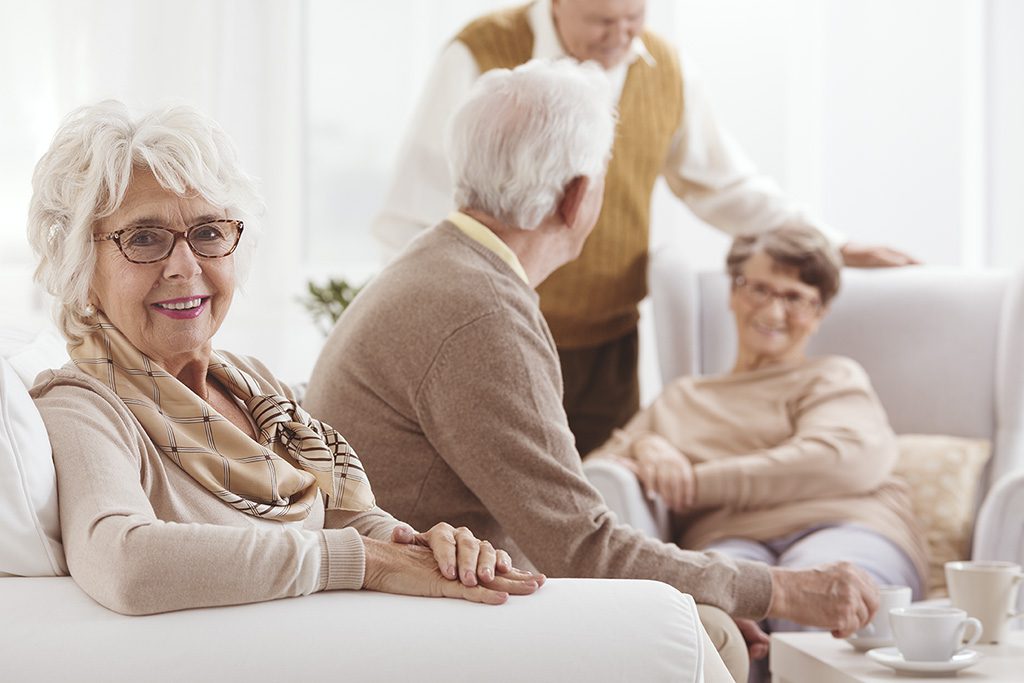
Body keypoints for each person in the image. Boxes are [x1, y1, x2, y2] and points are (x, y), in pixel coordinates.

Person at [305, 58, 880, 683]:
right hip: (414, 611)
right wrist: (775, 591)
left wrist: (690, 590)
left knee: (698, 620)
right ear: (578, 198)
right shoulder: (482, 312)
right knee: (708, 636)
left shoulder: (443, 267)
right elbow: (580, 546)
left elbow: (558, 529)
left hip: (411, 586)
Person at [26, 100, 545, 617]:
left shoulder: (251, 383)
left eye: (209, 232)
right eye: (143, 238)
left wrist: (427, 548)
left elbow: (346, 522)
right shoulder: (81, 405)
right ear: (83, 268)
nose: (184, 266)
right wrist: (361, 561)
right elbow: (125, 563)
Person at [372, 0, 918, 457]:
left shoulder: (663, 68)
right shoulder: (481, 50)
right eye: (602, 21)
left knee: (599, 495)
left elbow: (724, 184)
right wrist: (415, 322)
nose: (621, 36)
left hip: (609, 340)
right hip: (493, 329)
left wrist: (833, 243)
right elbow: (414, 207)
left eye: (634, 16)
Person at [587, 226, 928, 625]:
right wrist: (645, 446)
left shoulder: (832, 377)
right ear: (733, 292)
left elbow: (841, 460)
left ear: (819, 313)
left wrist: (695, 484)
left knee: (818, 602)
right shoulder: (682, 399)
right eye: (759, 289)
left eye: (795, 297)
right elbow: (591, 481)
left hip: (845, 525)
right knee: (722, 624)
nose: (772, 311)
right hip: (729, 544)